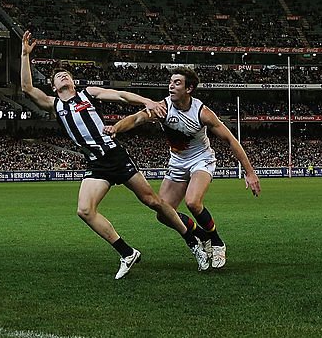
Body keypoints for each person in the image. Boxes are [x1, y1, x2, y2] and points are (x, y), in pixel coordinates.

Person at [20, 31, 207, 278]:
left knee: (153, 202)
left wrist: (147, 102)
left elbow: (121, 95)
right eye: (57, 77)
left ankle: (193, 242)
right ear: (53, 87)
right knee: (85, 211)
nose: (62, 76)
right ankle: (127, 253)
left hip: (115, 155)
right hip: (96, 164)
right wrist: (24, 55)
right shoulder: (53, 104)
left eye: (66, 74)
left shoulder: (88, 93)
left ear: (73, 82)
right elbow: (26, 87)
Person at [109, 67, 260, 270]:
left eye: (177, 82)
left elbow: (230, 140)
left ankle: (217, 242)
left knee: (192, 202)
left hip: (201, 160)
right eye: (170, 81)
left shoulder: (202, 113)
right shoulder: (163, 107)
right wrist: (115, 128)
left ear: (189, 88)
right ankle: (201, 234)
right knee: (163, 213)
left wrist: (249, 173)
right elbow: (136, 118)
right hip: (177, 163)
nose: (171, 85)